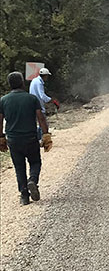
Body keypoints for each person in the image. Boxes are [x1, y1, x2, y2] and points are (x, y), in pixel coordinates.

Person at [0, 72, 53, 206]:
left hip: (13, 140)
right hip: (30, 138)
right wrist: (46, 134)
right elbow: (41, 118)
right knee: (35, 162)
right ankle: (33, 181)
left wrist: (1, 137)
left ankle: (24, 195)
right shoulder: (31, 99)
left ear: (9, 84)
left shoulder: (3, 100)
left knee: (19, 167)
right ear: (22, 83)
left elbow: (0, 120)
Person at [29, 67, 59, 140]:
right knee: (43, 122)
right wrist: (52, 100)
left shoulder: (34, 80)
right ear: (45, 75)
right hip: (38, 106)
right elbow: (42, 96)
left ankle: (37, 138)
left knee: (34, 123)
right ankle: (42, 139)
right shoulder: (39, 83)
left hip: (31, 104)